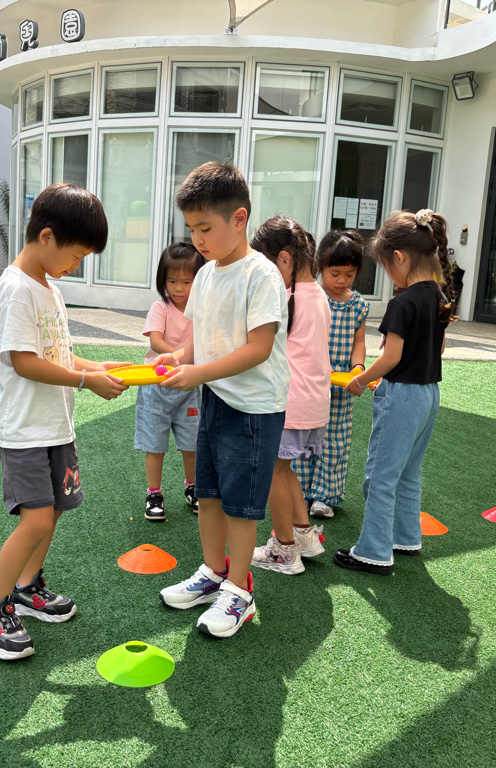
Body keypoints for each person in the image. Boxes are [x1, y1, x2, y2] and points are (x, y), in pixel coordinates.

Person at [0, 183, 129, 660]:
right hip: (22, 426)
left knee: (53, 511)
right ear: (46, 236)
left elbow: (57, 353)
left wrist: (97, 367)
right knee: (36, 518)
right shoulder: (17, 290)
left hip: (54, 424)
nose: (76, 265)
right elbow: (24, 362)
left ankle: (26, 586)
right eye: (75, 255)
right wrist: (85, 382)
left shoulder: (48, 288)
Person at [155, 162, 290, 639]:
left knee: (240, 507)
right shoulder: (207, 273)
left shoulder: (261, 274)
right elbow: (202, 337)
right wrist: (178, 357)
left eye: (205, 228)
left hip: (254, 409)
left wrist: (196, 372)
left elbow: (258, 348)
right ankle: (213, 573)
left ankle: (239, 591)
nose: (198, 240)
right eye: (191, 230)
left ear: (239, 218)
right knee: (208, 495)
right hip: (215, 399)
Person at [334, 209, 455, 575]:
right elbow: (439, 349)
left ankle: (372, 551)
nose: (389, 275)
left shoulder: (402, 303)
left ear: (399, 258)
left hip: (401, 395)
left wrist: (360, 379)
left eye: (387, 267)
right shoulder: (438, 295)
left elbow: (391, 357)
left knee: (380, 476)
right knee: (409, 471)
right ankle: (405, 537)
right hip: (429, 395)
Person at [249, 217, 331, 574]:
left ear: (284, 259)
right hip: (314, 402)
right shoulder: (320, 296)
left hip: (289, 403)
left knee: (273, 473)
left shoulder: (285, 298)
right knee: (284, 470)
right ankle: (303, 534)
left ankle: (283, 549)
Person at [294, 230, 369, 520]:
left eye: (349, 275)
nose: (341, 281)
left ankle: (324, 495)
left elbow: (359, 342)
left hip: (340, 387)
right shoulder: (310, 296)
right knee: (303, 437)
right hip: (310, 381)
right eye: (335, 273)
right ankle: (299, 491)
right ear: (319, 266)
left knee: (335, 441)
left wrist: (358, 368)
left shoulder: (358, 305)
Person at [137, 241, 206, 521]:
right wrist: (178, 357)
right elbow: (155, 341)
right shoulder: (161, 307)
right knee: (155, 446)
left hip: (188, 385)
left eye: (187, 282)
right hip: (156, 387)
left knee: (192, 444)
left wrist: (183, 361)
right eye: (172, 281)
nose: (179, 288)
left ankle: (193, 487)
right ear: (162, 281)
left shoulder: (201, 310)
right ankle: (154, 493)